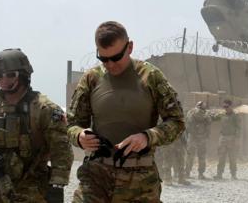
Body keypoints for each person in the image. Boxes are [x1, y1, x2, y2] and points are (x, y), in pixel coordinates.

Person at [67, 21, 185, 202]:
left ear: (129, 47)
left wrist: (148, 137)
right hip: (96, 176)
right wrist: (79, 136)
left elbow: (177, 122)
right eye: (103, 59)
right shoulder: (91, 78)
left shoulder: (150, 76)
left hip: (140, 182)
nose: (110, 64)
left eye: (116, 57)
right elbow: (71, 124)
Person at [0, 48, 73, 203]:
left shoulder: (44, 110)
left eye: (10, 75)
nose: (4, 80)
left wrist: (57, 186)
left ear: (23, 74)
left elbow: (61, 151)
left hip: (32, 183)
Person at [213, 99, 241, 180]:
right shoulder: (222, 114)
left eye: (226, 106)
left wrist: (237, 139)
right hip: (223, 138)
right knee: (221, 157)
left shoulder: (235, 116)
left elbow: (238, 128)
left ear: (231, 106)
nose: (225, 108)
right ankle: (219, 174)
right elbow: (213, 118)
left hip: (232, 138)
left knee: (232, 157)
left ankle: (233, 174)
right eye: (224, 106)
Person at [185, 101, 211, 180]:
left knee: (190, 156)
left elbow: (187, 123)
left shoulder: (190, 112)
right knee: (202, 156)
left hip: (192, 137)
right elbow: (209, 124)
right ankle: (200, 174)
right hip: (201, 137)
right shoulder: (206, 114)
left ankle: (187, 173)